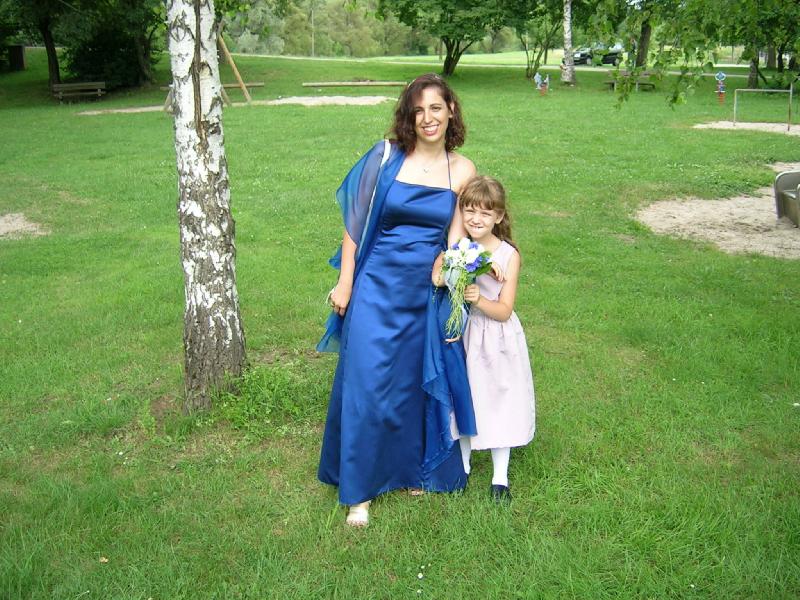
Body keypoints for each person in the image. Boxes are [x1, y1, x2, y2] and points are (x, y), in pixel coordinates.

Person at [317, 73, 477, 527]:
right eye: (418, 110)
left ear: (451, 111)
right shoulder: (385, 156)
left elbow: (456, 238)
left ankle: (408, 469)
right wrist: (345, 282)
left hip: (423, 291)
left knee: (409, 384)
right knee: (367, 381)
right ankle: (359, 491)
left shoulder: (462, 169)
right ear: (409, 116)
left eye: (436, 108)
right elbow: (355, 225)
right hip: (376, 284)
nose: (428, 118)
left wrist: (456, 267)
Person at [435, 175, 536, 502]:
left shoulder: (508, 255)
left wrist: (478, 298)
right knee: (467, 396)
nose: (476, 219)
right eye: (469, 211)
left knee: (498, 398)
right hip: (465, 333)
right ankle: (462, 466)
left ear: (499, 216)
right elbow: (437, 277)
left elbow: (504, 310)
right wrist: (464, 265)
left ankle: (499, 476)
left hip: (496, 338)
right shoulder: (461, 249)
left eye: (485, 213)